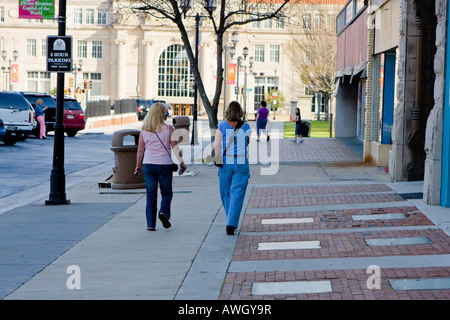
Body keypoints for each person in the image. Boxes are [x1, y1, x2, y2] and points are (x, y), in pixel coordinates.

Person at [135, 102, 187, 231]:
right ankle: (164, 212)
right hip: (164, 165)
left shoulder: (144, 131)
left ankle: (151, 225)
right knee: (166, 192)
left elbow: (140, 150)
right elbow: (175, 147)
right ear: (162, 114)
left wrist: (138, 165)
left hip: (148, 165)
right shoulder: (168, 129)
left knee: (151, 195)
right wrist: (181, 162)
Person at [214, 101, 252, 235]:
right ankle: (231, 222)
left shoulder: (222, 126)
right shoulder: (246, 126)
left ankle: (230, 219)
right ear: (240, 111)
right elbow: (247, 143)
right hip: (241, 160)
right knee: (238, 193)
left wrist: (217, 158)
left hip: (225, 161)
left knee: (225, 193)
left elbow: (217, 145)